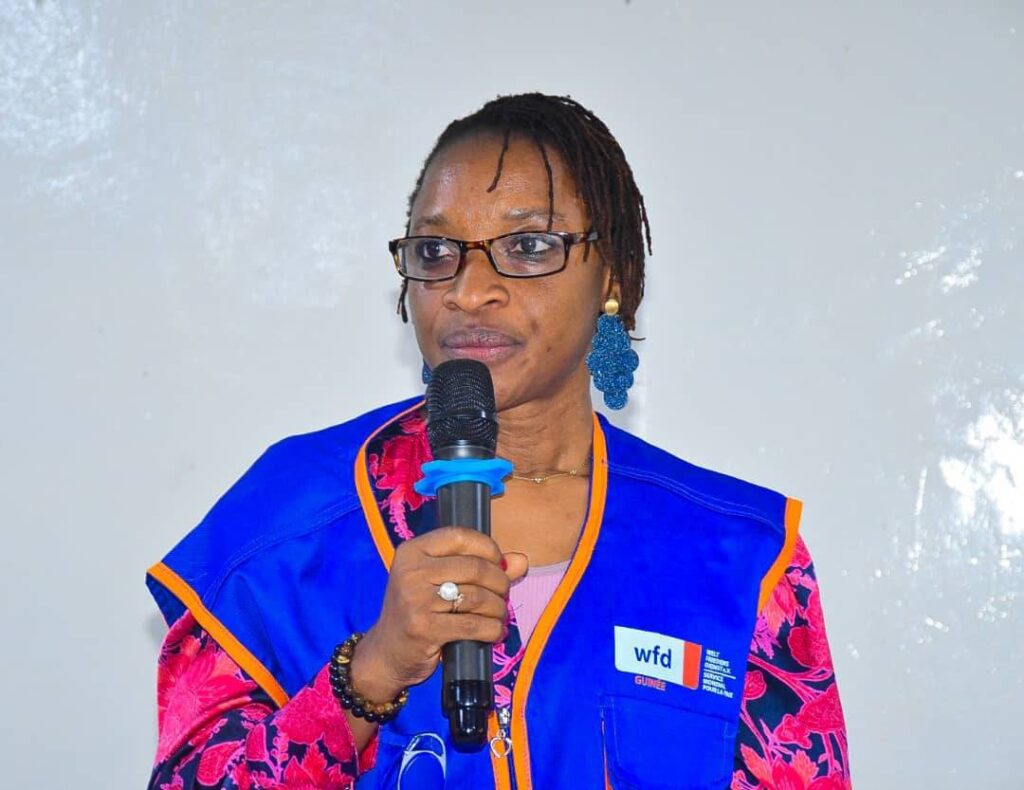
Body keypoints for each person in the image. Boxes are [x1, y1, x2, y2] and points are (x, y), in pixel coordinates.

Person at [146, 92, 851, 789]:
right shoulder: (290, 521)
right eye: (436, 251)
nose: (468, 290)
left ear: (612, 275)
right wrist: (370, 674)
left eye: (528, 246)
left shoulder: (738, 555)